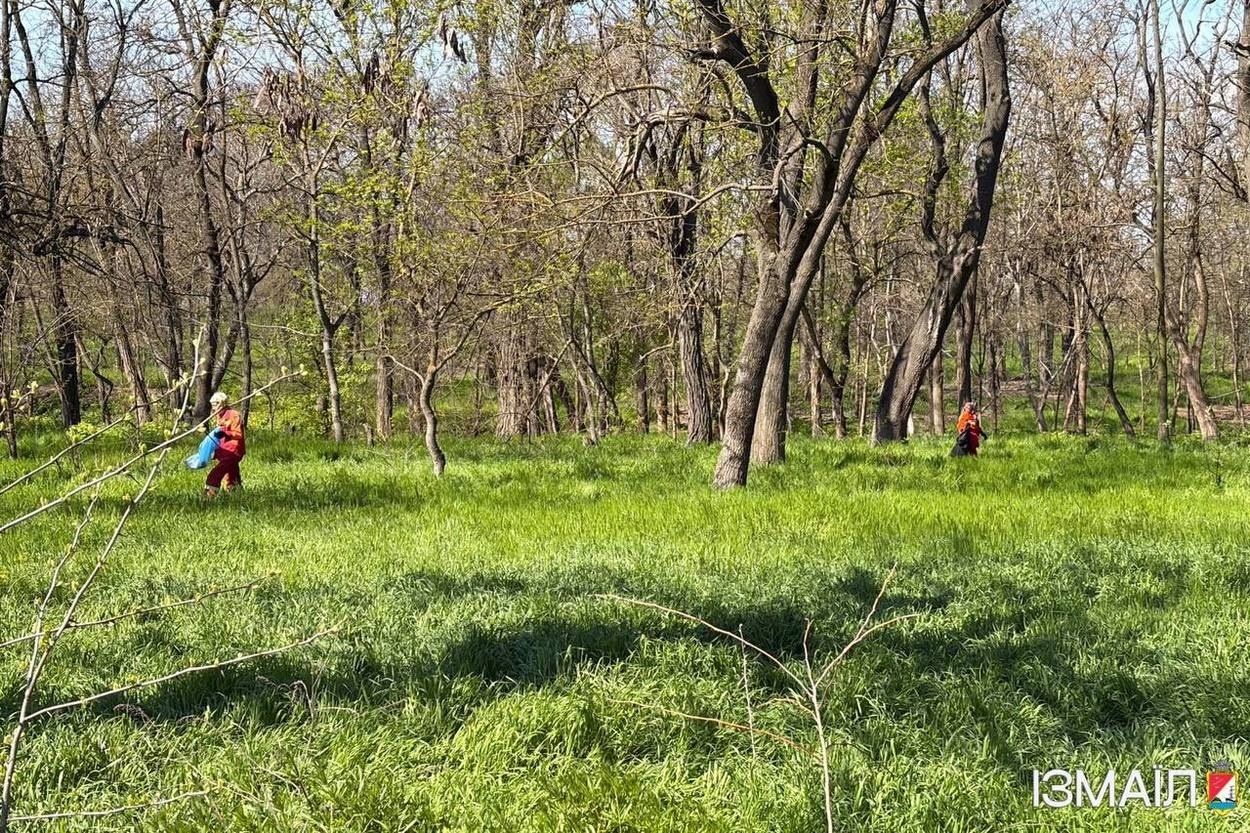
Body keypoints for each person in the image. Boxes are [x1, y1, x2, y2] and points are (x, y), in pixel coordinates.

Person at [205, 391, 246, 496]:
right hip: (224, 450)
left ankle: (209, 496)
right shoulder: (219, 415)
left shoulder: (234, 415)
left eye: (216, 404)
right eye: (212, 405)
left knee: (215, 474)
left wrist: (225, 433)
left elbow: (238, 434)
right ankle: (237, 493)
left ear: (222, 402)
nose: (214, 407)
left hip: (233, 451)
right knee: (232, 474)